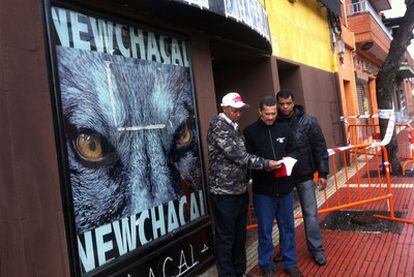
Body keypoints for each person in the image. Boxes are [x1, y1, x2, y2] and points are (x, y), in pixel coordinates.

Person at [207, 92, 279, 277]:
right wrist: (266, 163)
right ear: (224, 108)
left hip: (239, 190)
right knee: (226, 238)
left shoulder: (233, 126)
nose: (239, 114)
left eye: (240, 110)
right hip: (224, 193)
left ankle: (239, 272)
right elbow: (238, 155)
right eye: (235, 110)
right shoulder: (218, 126)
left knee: (240, 237)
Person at [244, 96, 302, 277]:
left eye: (273, 113)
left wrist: (288, 159)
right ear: (260, 112)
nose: (270, 117)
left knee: (288, 228)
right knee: (265, 231)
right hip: (263, 191)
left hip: (284, 188)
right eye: (267, 114)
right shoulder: (250, 132)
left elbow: (294, 149)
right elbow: (246, 159)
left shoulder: (284, 128)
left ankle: (290, 263)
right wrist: (265, 164)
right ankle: (265, 264)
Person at [275, 89, 329, 266]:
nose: (285, 107)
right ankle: (285, 250)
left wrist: (322, 173)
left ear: (293, 102)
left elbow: (320, 147)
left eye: (288, 103)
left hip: (305, 175)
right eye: (281, 104)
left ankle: (317, 249)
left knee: (310, 214)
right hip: (283, 176)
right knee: (284, 216)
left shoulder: (308, 121)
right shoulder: (273, 122)